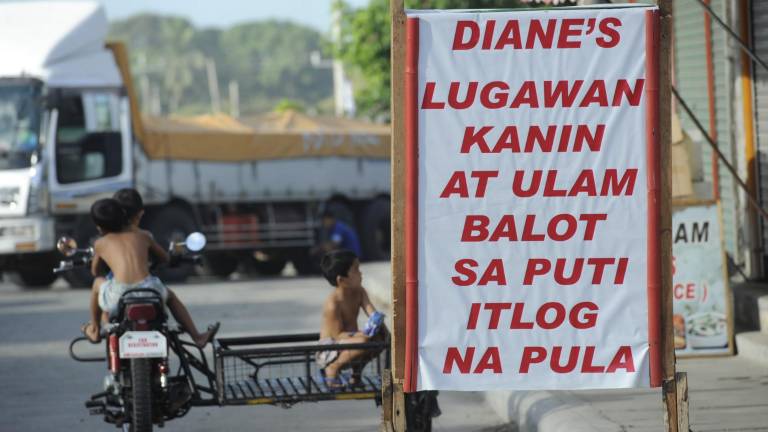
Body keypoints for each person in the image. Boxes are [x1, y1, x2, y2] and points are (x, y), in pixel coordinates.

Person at [82, 198, 218, 348]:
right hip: (150, 290)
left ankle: (94, 329)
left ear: (99, 227)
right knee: (171, 296)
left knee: (97, 283)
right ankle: (197, 337)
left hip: (119, 294)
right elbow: (164, 258)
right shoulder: (143, 235)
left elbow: (96, 271)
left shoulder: (101, 243)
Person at [317, 249, 387, 388]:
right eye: (355, 270)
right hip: (331, 349)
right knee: (363, 340)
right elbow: (337, 335)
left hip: (351, 342)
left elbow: (372, 313)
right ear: (341, 280)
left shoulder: (360, 292)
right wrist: (361, 335)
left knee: (382, 337)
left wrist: (379, 325)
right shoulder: (333, 303)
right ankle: (332, 369)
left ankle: (356, 375)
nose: (361, 273)